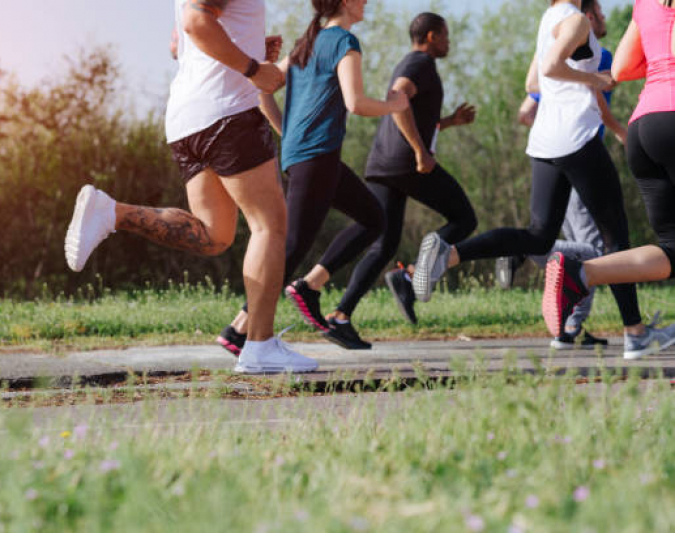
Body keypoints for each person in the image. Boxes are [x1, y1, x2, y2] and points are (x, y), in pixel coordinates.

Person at [64, 0, 318, 374]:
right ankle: (260, 346)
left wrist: (247, 49)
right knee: (270, 225)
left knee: (214, 235)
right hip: (227, 114)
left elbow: (177, 42)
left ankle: (112, 212)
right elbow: (196, 22)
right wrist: (252, 68)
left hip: (188, 118)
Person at [413, 0, 648, 359]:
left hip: (545, 140)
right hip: (578, 139)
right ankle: (635, 334)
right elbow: (553, 68)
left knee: (538, 236)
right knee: (615, 237)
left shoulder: (549, 19)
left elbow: (534, 80)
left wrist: (592, 96)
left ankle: (450, 254)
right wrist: (594, 77)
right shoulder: (575, 21)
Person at [217, 0, 409, 354]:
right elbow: (355, 102)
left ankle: (310, 285)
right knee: (288, 247)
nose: (366, 1)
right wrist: (394, 106)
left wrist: (287, 133)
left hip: (312, 156)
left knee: (373, 217)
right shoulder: (343, 43)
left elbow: (263, 89)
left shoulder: (307, 42)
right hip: (315, 156)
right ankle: (239, 328)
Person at [326, 12, 478, 328]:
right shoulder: (419, 63)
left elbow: (414, 114)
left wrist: (449, 122)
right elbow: (396, 97)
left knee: (384, 244)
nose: (449, 42)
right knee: (464, 218)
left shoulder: (416, 64)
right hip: (406, 164)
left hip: (384, 165)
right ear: (433, 36)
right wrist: (421, 152)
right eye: (446, 35)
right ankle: (410, 275)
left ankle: (341, 314)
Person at [544, 0, 675, 359]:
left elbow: (621, 66)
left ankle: (581, 272)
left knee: (671, 248)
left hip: (644, 127)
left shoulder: (646, 3)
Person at [496, 0, 622, 350]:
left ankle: (570, 325)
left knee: (571, 240)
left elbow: (526, 103)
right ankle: (567, 328)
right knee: (596, 249)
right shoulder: (600, 54)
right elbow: (599, 100)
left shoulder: (549, 32)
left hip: (552, 154)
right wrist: (614, 129)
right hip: (580, 155)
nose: (602, 17)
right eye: (599, 11)